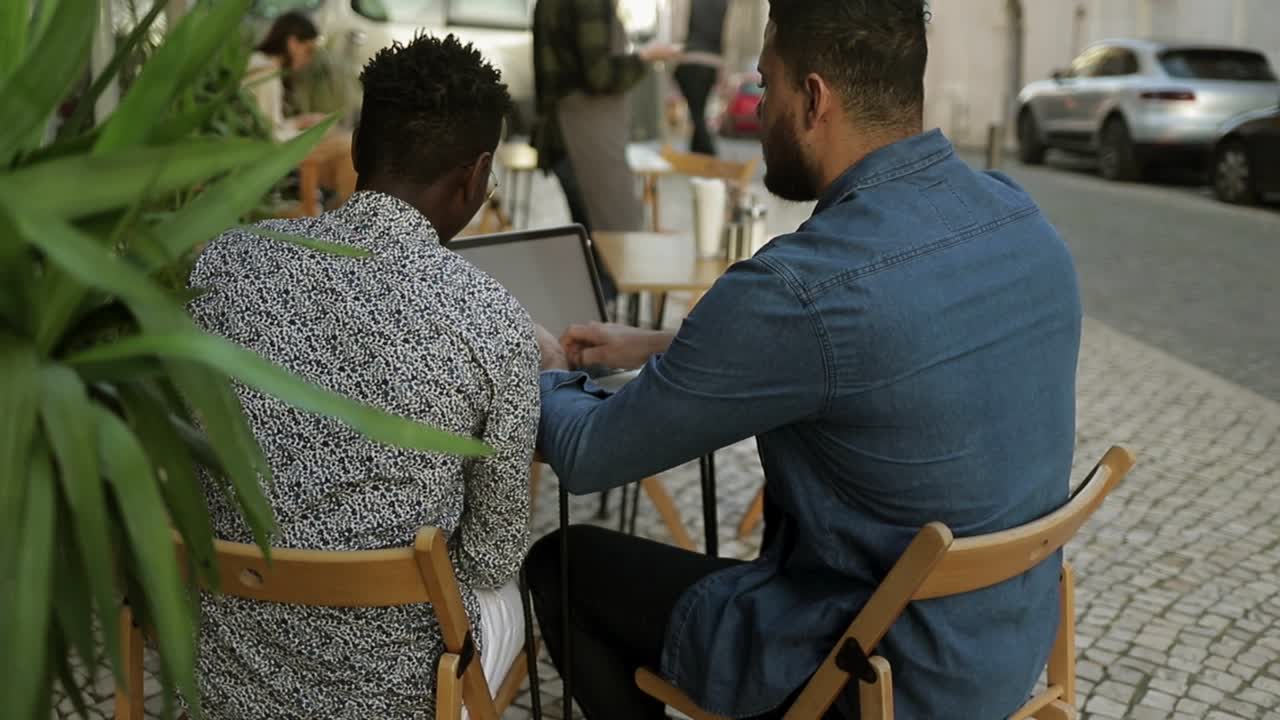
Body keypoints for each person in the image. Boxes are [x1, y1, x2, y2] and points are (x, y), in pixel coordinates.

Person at [524, 1, 1083, 719]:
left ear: (814, 98)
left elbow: (588, 453)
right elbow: (881, 351)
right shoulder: (1021, 219)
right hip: (1001, 651)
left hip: (878, 669)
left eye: (766, 82)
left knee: (563, 564)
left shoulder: (798, 289)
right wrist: (659, 345)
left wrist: (541, 365)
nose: (758, 110)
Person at [187, 34, 537, 719]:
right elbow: (491, 557)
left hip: (225, 673)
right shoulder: (493, 321)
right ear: (476, 174)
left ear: (356, 150)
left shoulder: (222, 264)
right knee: (507, 587)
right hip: (398, 694)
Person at [531, 0, 680, 235]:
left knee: (591, 245)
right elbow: (599, 75)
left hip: (564, 133)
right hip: (583, 135)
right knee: (613, 248)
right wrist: (645, 57)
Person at [245, 11, 327, 141]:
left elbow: (270, 124)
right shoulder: (266, 75)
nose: (309, 59)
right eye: (308, 50)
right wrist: (315, 134)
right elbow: (270, 137)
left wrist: (299, 122)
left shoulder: (255, 60)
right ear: (292, 43)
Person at [671, 0, 732, 155]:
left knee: (696, 112)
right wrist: (723, 67)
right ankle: (697, 150)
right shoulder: (725, 3)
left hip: (689, 59)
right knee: (698, 110)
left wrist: (674, 56)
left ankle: (707, 150)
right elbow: (728, 35)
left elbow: (678, 26)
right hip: (711, 63)